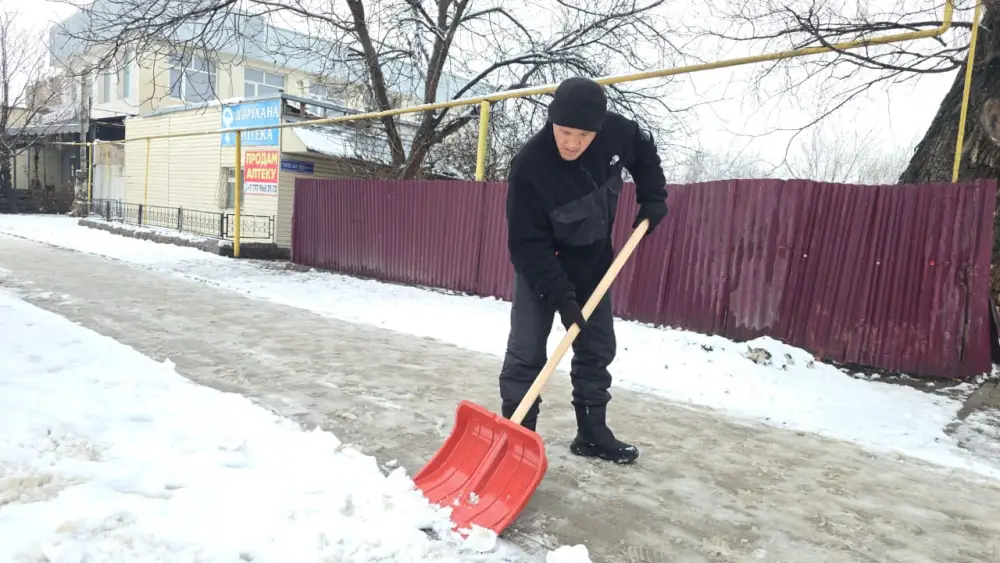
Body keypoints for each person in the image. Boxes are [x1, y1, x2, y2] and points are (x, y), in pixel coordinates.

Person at [499, 76, 668, 465]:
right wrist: (561, 296)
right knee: (526, 353)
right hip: (542, 271)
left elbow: (644, 151)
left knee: (596, 348)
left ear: (599, 129)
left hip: (593, 266)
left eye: (584, 135)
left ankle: (592, 433)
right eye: (565, 131)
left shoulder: (616, 134)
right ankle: (518, 440)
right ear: (551, 122)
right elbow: (526, 245)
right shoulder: (531, 167)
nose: (573, 142)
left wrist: (653, 195)